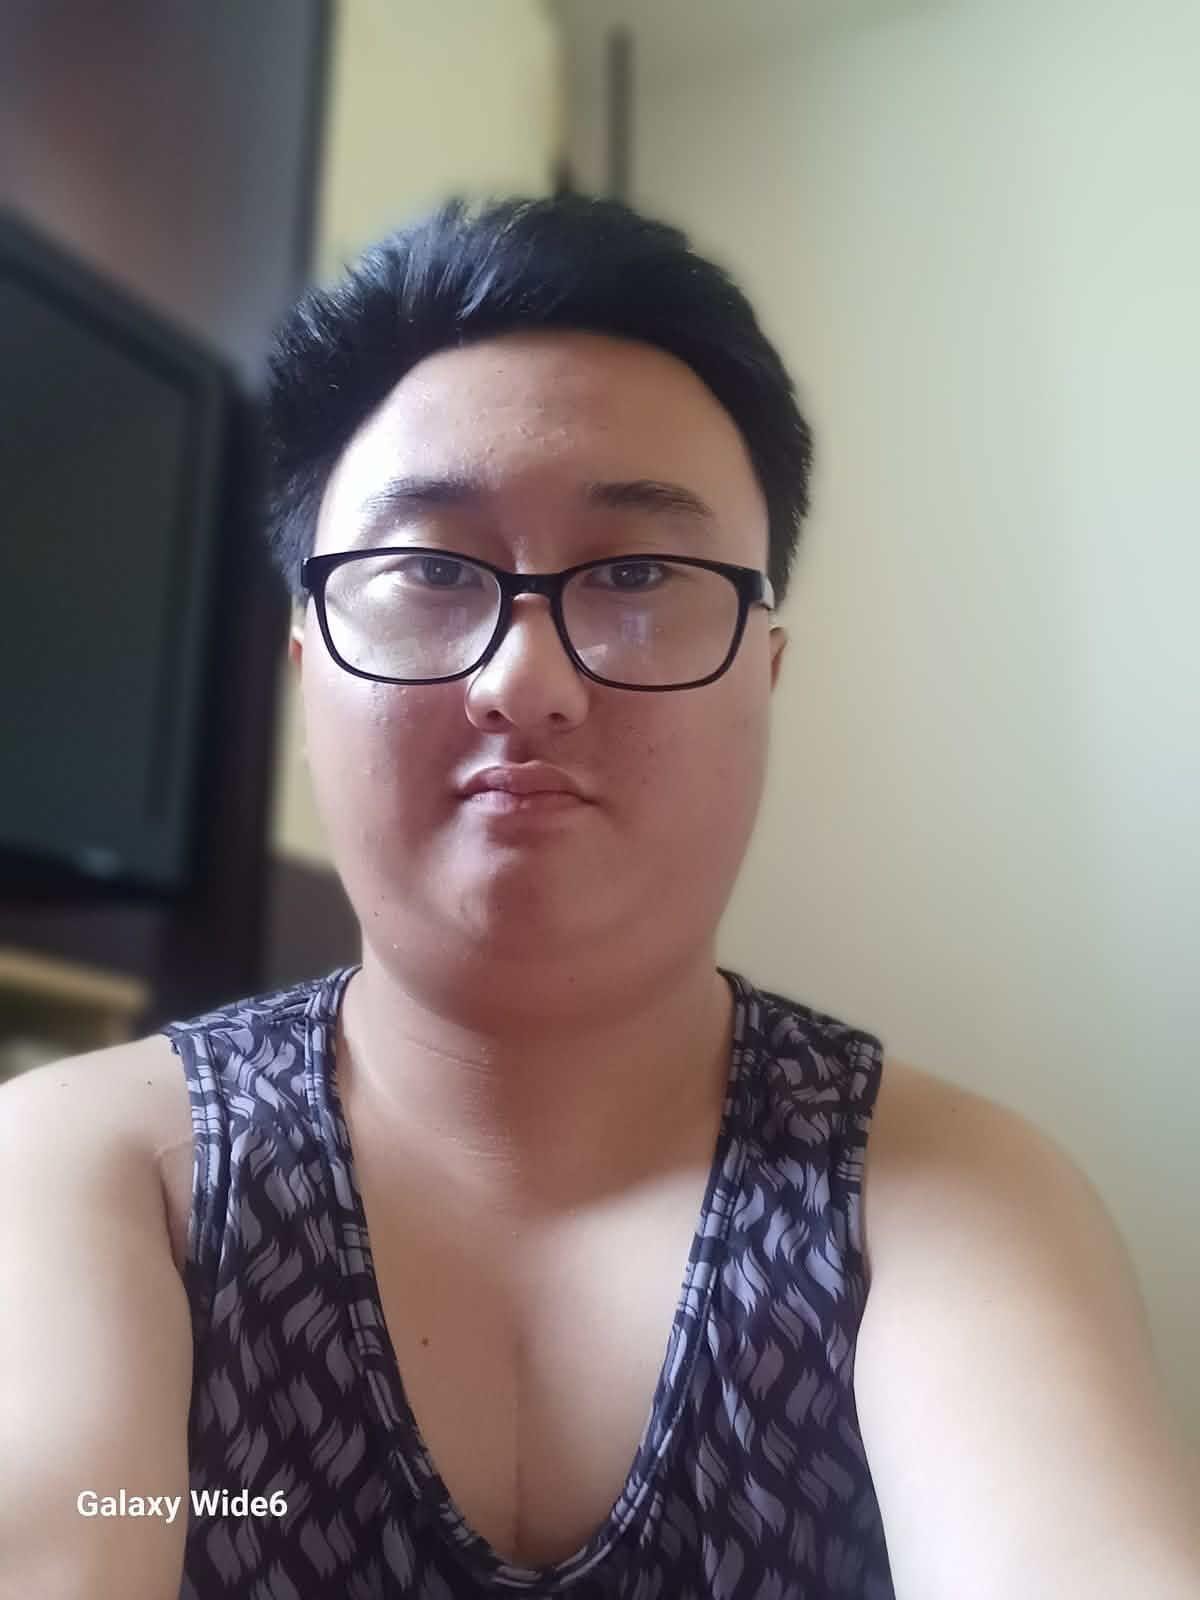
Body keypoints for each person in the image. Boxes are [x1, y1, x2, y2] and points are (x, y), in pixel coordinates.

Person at [2, 194, 1197, 1600]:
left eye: (637, 573)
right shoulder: (101, 1171)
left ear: (764, 672)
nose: (528, 681)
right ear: (306, 665)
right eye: (428, 569)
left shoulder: (942, 1198)